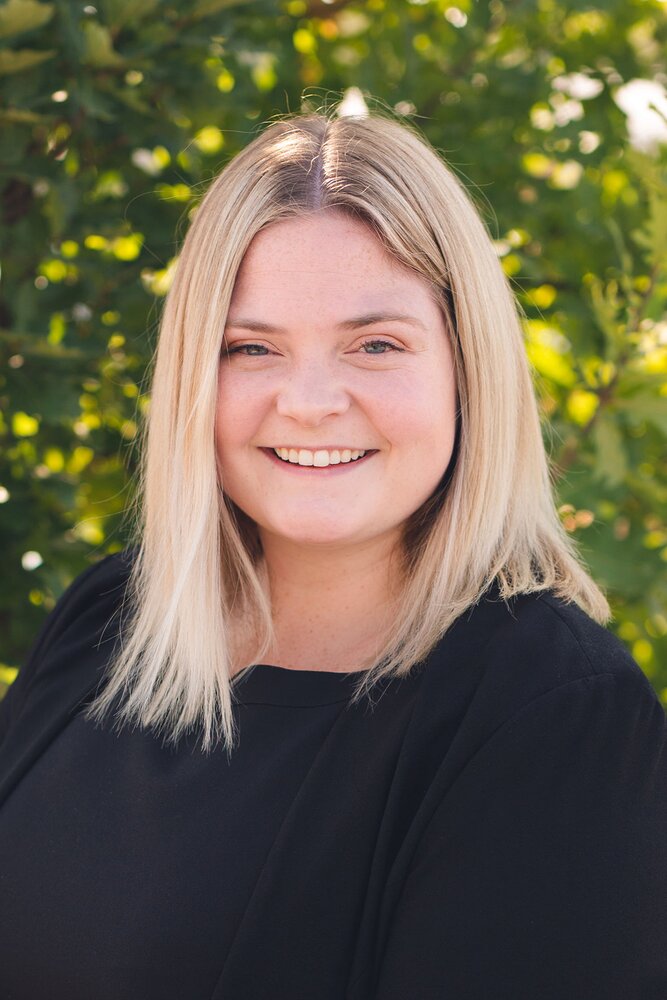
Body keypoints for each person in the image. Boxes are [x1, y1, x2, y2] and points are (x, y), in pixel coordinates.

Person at [0, 107, 665, 1000]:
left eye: (376, 344)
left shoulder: (554, 714)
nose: (309, 402)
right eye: (251, 348)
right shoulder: (111, 619)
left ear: (469, 371)